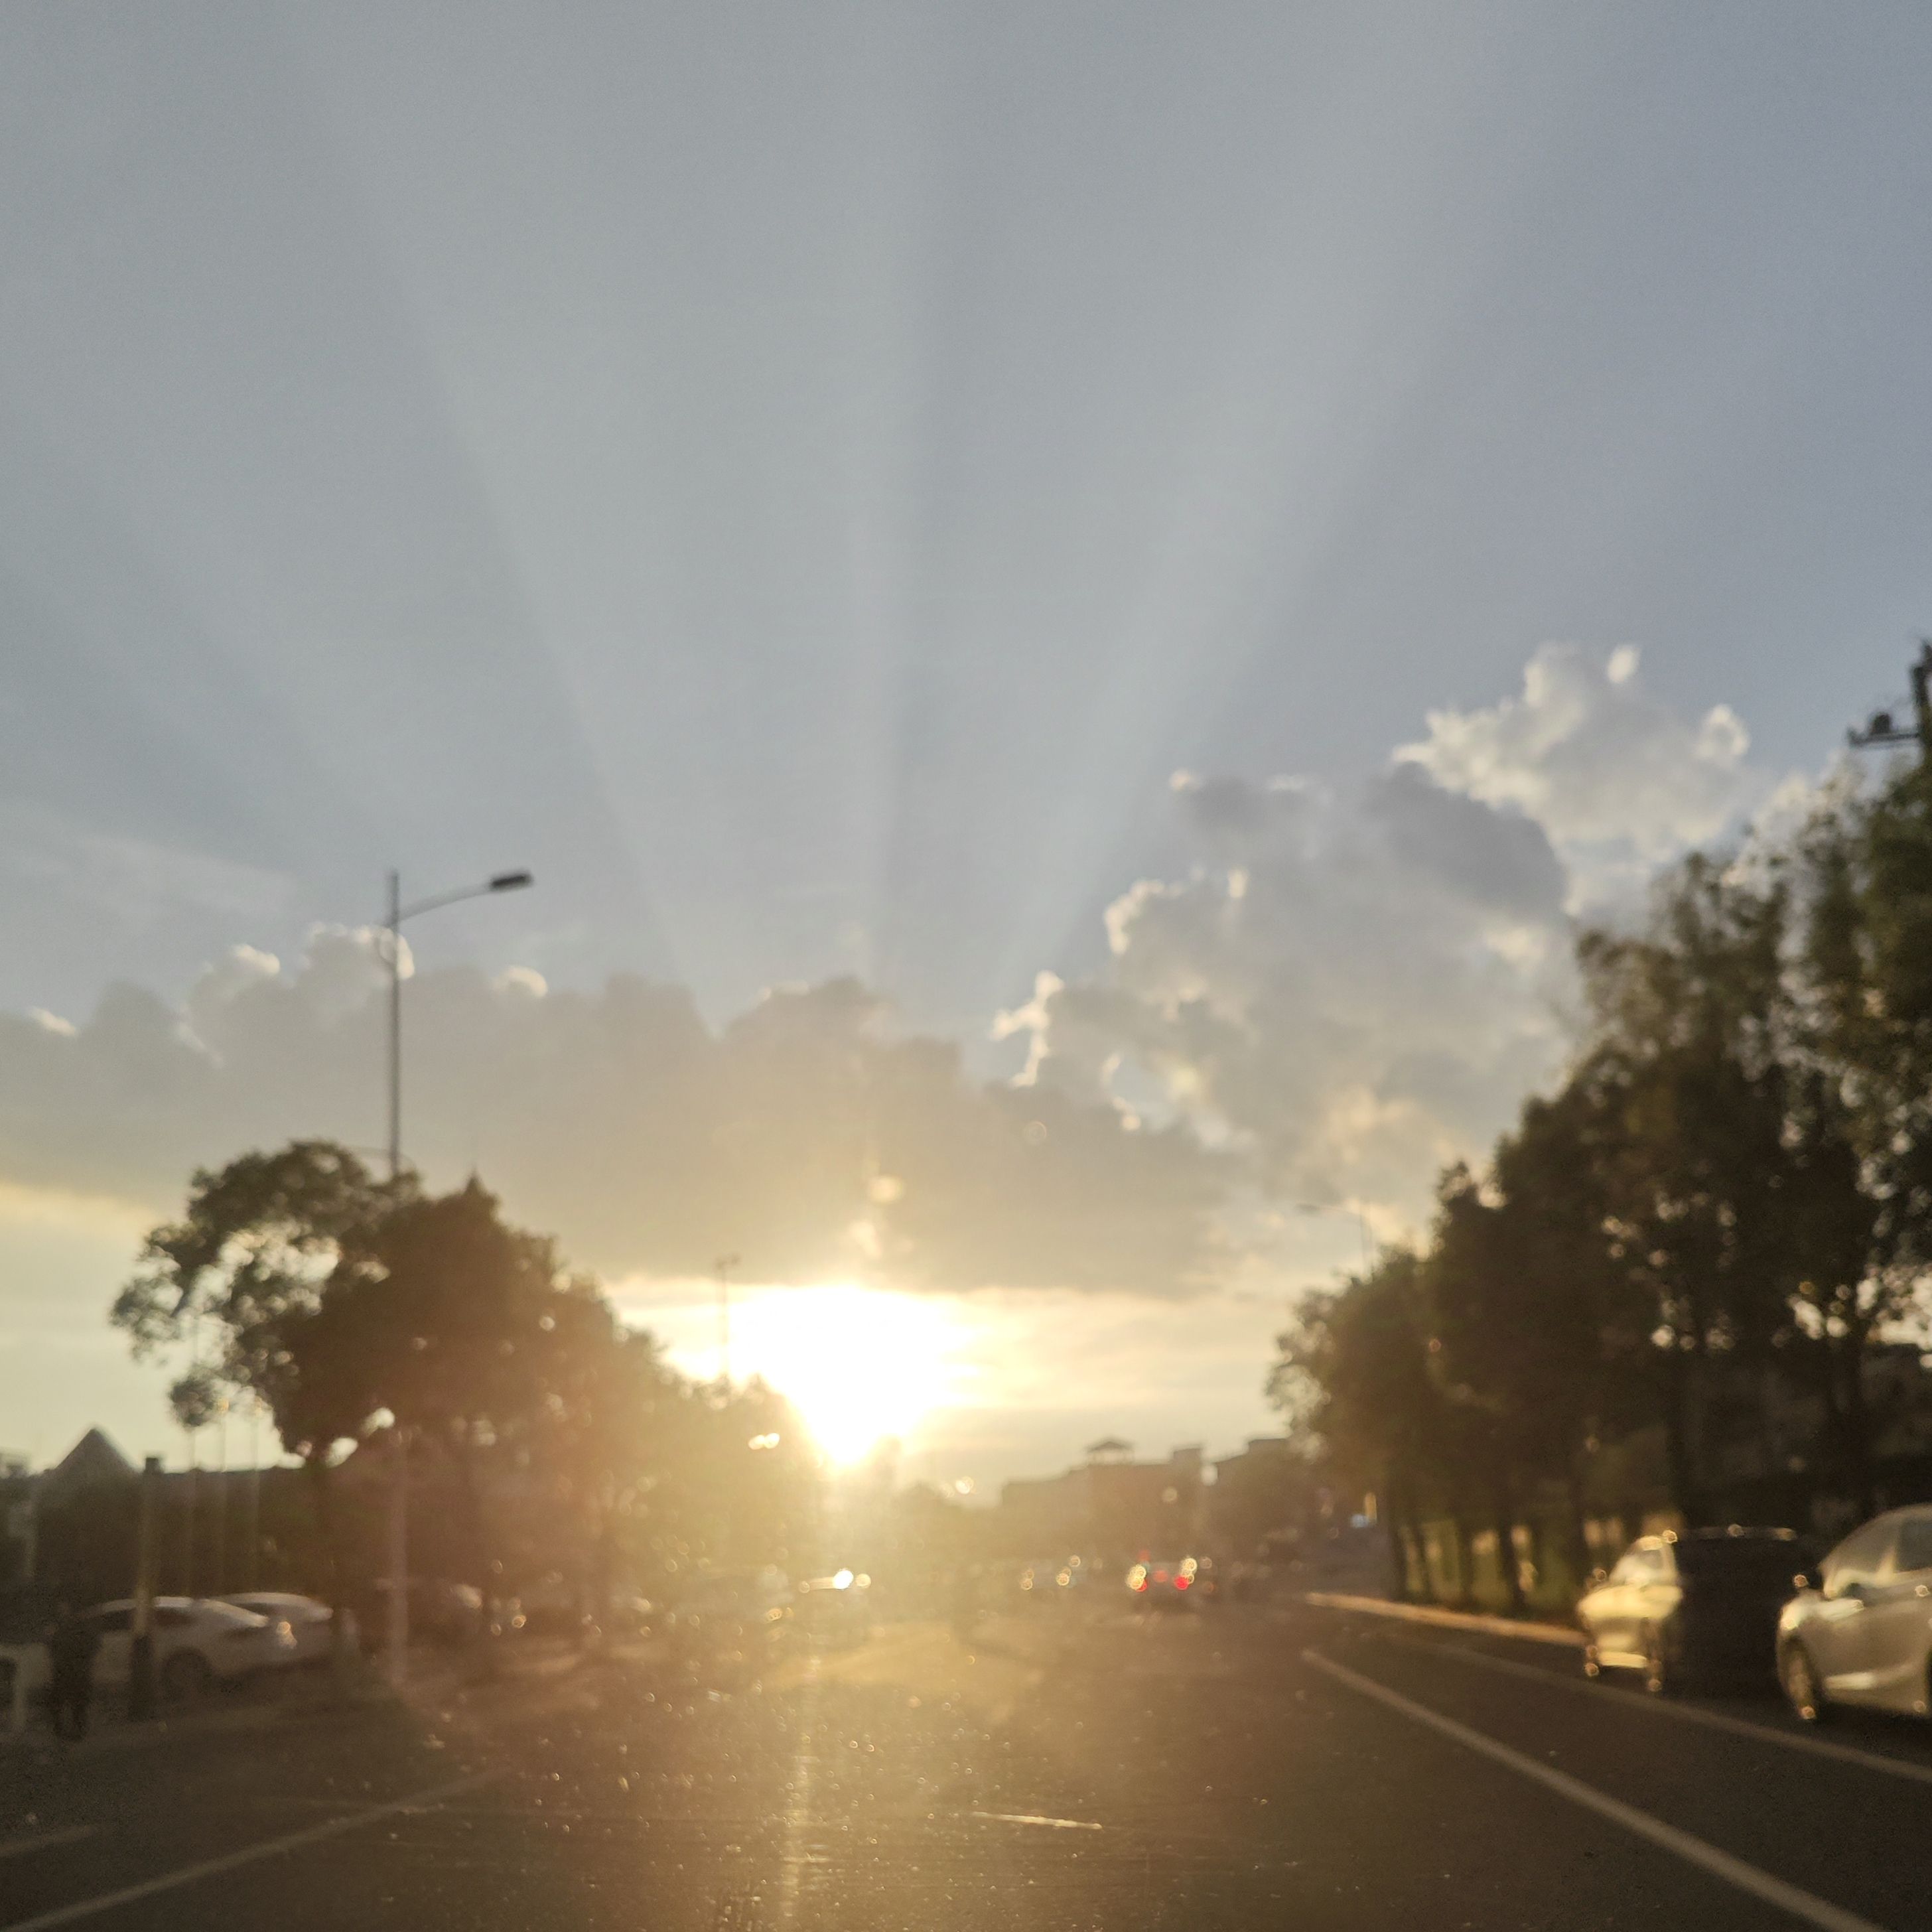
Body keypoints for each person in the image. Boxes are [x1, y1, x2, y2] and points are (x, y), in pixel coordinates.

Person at [46, 1604, 100, 1741]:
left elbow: (93, 1645)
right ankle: (69, 1730)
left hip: (73, 1670)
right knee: (70, 1702)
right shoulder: (63, 1627)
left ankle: (72, 1730)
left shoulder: (73, 1628)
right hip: (69, 1670)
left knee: (75, 1702)